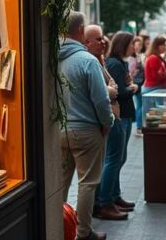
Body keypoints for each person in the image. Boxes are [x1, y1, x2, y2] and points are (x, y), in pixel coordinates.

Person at [58, 13, 115, 240]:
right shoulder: (87, 61)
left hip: (61, 129)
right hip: (86, 129)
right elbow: (101, 101)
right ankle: (83, 233)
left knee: (60, 183)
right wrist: (107, 123)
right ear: (81, 30)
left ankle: (58, 228)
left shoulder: (54, 58)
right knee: (88, 183)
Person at [95, 32, 139, 220]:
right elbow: (117, 92)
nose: (134, 47)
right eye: (131, 44)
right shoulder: (114, 63)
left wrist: (131, 87)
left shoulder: (119, 63)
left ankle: (114, 195)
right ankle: (105, 201)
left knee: (119, 158)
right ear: (123, 45)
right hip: (118, 116)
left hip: (125, 115)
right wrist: (133, 88)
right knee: (114, 159)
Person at [130, 36, 146, 138]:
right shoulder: (133, 57)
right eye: (138, 44)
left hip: (140, 83)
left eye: (140, 44)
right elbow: (132, 72)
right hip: (137, 83)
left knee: (139, 104)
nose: (140, 46)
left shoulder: (139, 56)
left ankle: (139, 127)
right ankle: (139, 127)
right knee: (140, 105)